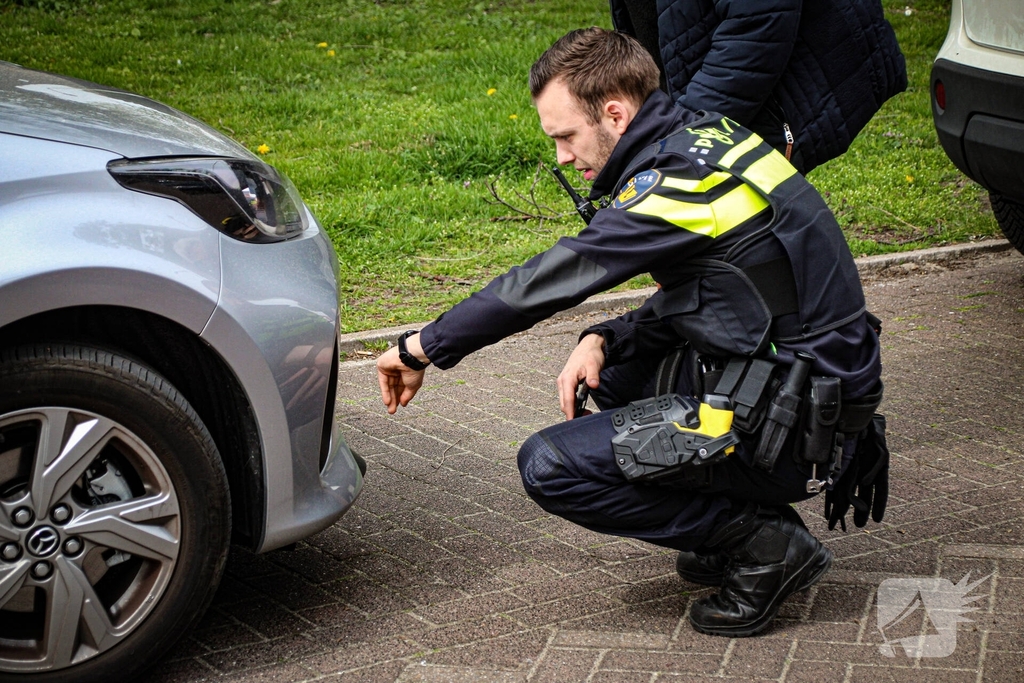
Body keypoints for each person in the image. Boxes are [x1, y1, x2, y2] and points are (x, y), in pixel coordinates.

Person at [377, 28, 887, 637]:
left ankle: (763, 544)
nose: (563, 156)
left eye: (566, 136)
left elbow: (551, 279)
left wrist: (422, 346)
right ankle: (736, 515)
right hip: (808, 389)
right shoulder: (708, 136)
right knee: (611, 371)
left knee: (549, 465)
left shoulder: (678, 185)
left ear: (615, 112)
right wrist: (607, 336)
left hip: (798, 424)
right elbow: (721, 291)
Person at [609, 0, 908, 174]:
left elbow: (758, 25)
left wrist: (687, 134)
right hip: (697, 102)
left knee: (749, 250)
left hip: (762, 98)